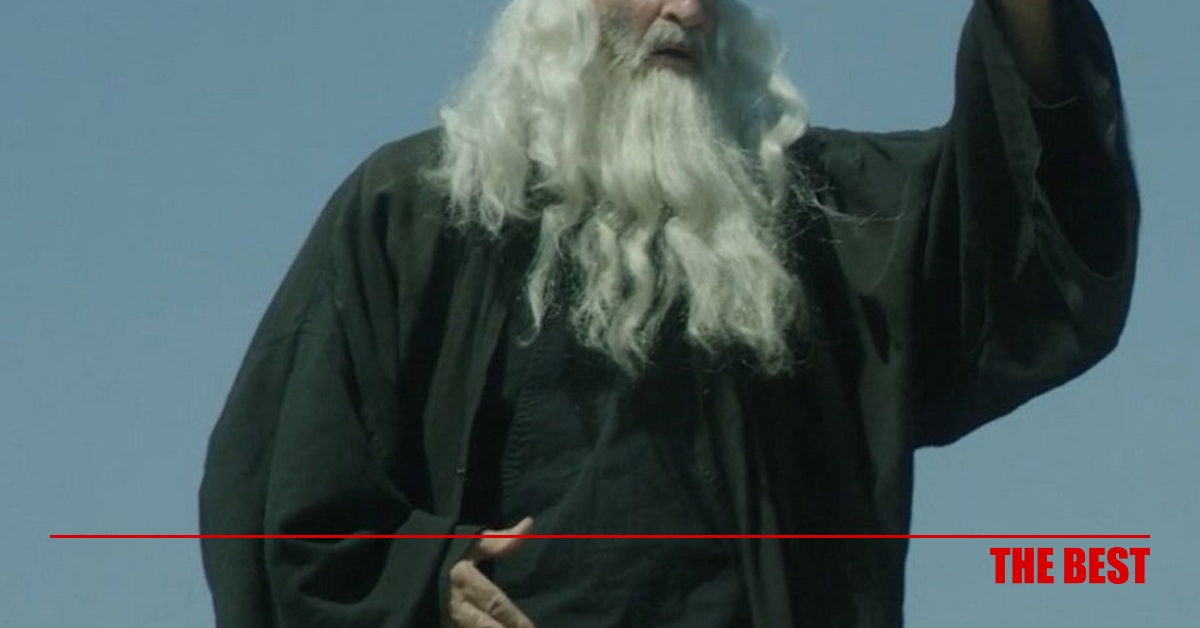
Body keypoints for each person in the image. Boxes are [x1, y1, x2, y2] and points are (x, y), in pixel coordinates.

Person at [199, 0, 1138, 626]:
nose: (685, 9)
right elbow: (280, 497)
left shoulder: (814, 222)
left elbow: (1009, 225)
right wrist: (420, 582)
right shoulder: (413, 212)